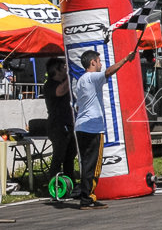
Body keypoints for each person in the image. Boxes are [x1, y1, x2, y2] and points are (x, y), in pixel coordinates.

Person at [73, 46, 136, 208]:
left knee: (87, 163)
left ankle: (85, 195)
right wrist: (125, 59)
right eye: (99, 61)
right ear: (93, 62)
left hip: (81, 126)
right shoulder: (92, 77)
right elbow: (108, 72)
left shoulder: (81, 80)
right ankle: (88, 198)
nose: (100, 64)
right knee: (94, 165)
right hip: (92, 128)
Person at [43, 57, 76, 187]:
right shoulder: (50, 85)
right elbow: (60, 91)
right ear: (56, 70)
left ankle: (70, 184)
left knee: (70, 156)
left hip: (69, 123)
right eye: (63, 67)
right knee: (59, 155)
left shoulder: (64, 83)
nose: (65, 69)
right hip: (57, 125)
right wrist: (69, 75)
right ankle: (54, 183)